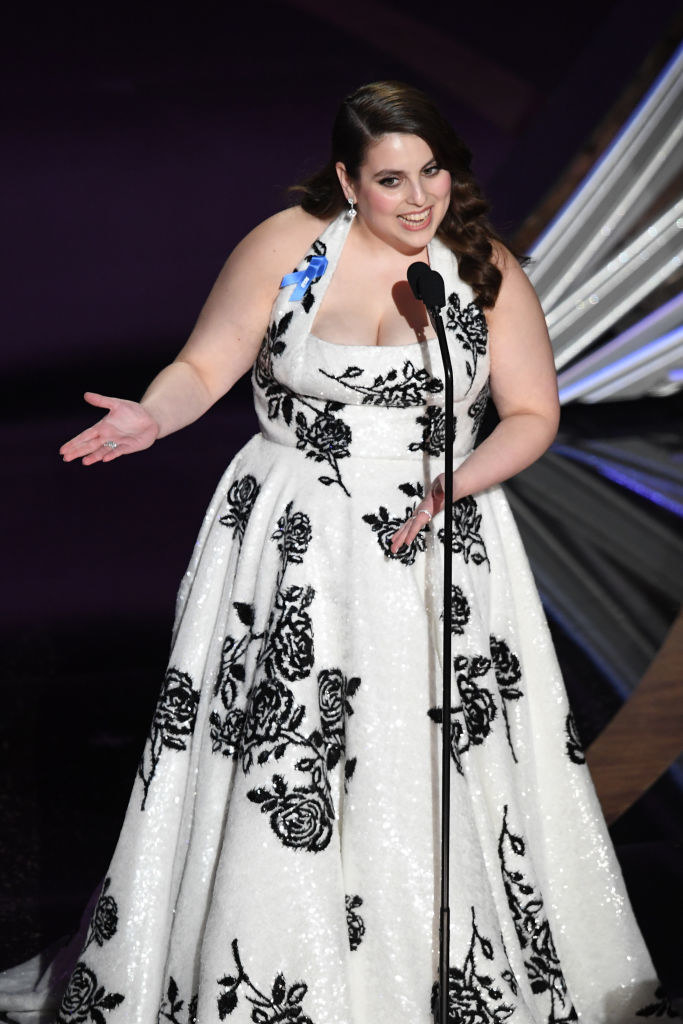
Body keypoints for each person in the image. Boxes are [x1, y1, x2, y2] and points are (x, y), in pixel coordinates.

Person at [0, 81, 676, 1024]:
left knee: (421, 755)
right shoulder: (285, 248)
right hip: (293, 540)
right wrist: (155, 414)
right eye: (391, 178)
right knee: (289, 752)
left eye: (431, 171)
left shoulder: (480, 267)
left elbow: (532, 413)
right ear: (347, 181)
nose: (417, 198)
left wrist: (457, 484)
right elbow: (206, 364)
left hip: (437, 535)